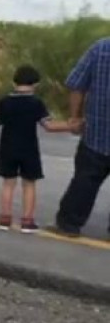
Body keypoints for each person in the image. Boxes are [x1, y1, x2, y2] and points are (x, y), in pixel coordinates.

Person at [0, 65, 71, 233]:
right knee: (29, 184)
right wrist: (70, 126)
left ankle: (5, 219)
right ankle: (27, 221)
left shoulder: (4, 101)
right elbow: (48, 126)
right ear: (36, 84)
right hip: (29, 148)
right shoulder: (36, 103)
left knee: (8, 183)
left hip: (7, 147)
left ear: (14, 82)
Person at [53, 38, 110, 238]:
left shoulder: (100, 49)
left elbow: (77, 85)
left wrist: (75, 117)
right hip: (97, 132)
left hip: (97, 133)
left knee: (84, 181)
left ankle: (69, 224)